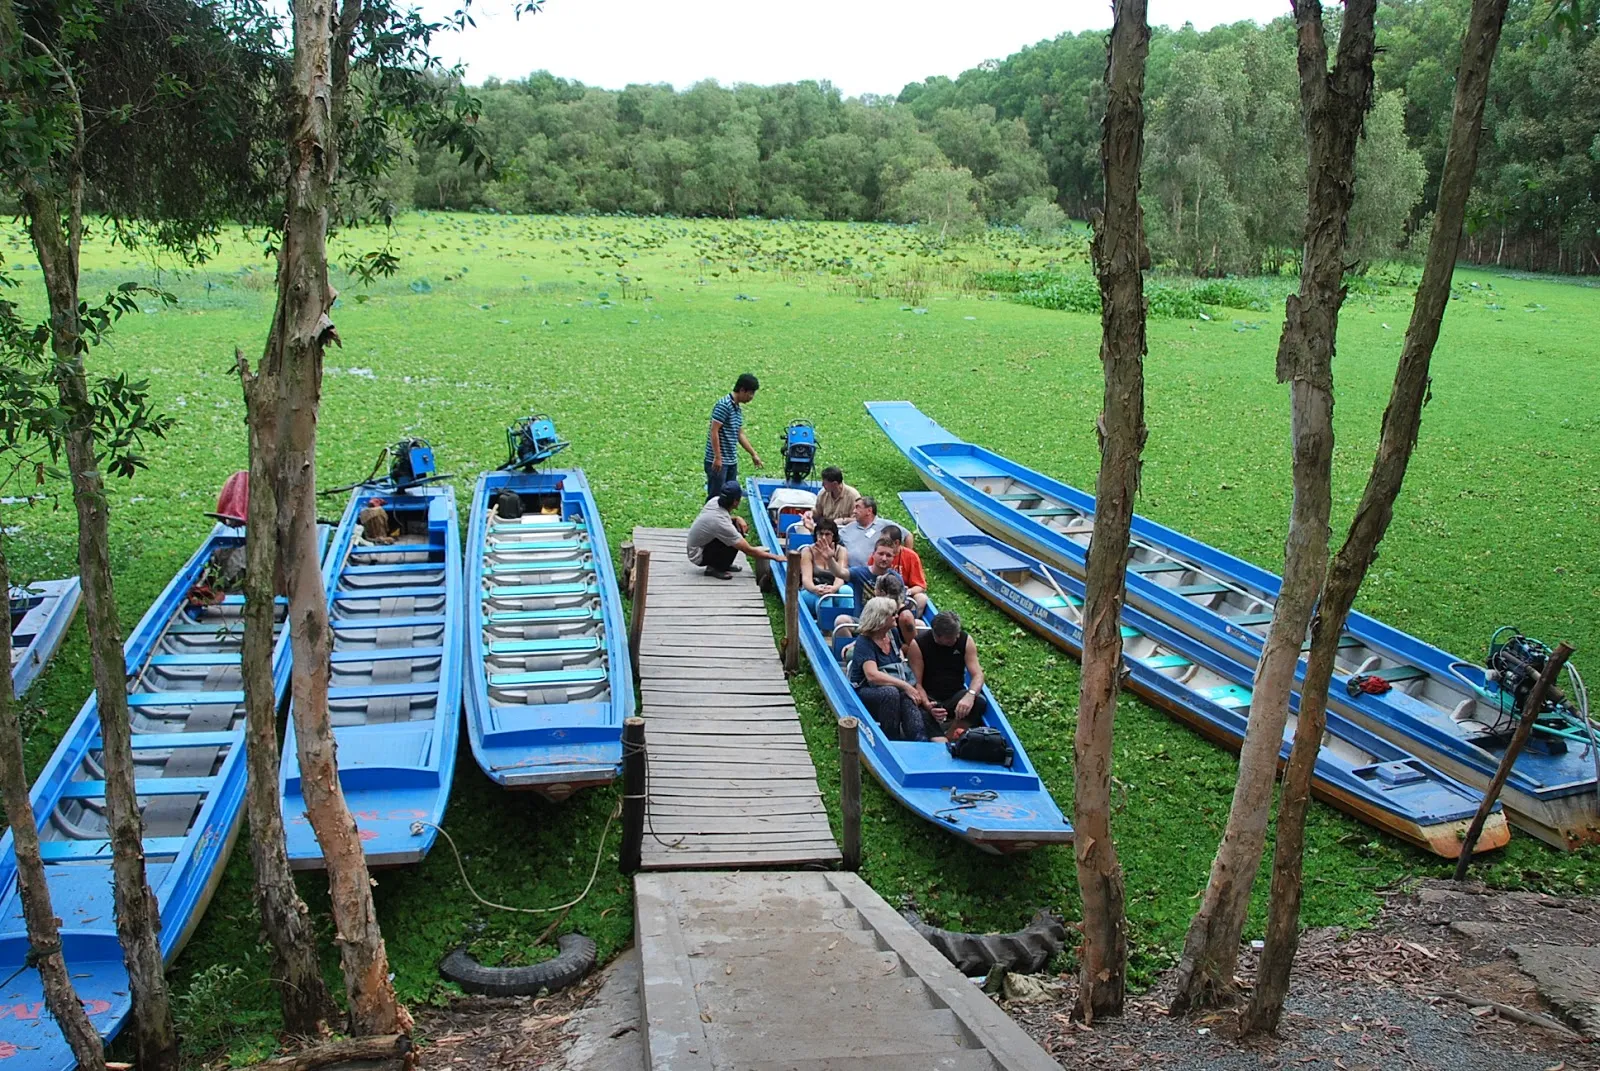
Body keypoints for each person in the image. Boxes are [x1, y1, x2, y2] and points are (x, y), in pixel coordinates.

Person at [847, 597, 940, 743]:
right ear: (881, 618)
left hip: (894, 689)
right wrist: (905, 685)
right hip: (867, 691)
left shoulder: (893, 634)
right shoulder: (864, 642)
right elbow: (872, 675)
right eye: (892, 614)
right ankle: (890, 737)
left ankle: (918, 736)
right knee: (891, 692)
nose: (896, 616)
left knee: (905, 696)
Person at [686, 483, 783, 580]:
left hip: (700, 545)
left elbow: (721, 519)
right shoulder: (721, 524)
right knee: (736, 535)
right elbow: (748, 550)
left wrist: (737, 518)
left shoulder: (715, 501)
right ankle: (715, 568)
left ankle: (724, 563)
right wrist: (775, 557)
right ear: (736, 502)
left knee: (734, 532)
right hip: (698, 555)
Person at [915, 610, 990, 735]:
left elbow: (978, 674)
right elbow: (917, 683)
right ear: (938, 636)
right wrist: (928, 705)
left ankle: (951, 735)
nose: (956, 639)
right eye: (950, 638)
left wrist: (970, 695)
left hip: (955, 697)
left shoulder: (965, 640)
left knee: (979, 701)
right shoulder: (918, 644)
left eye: (957, 635)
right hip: (930, 698)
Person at [704, 373, 763, 501]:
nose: (751, 397)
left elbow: (739, 434)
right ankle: (711, 520)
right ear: (742, 390)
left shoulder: (736, 408)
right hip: (719, 462)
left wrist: (753, 454)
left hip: (731, 460)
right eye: (750, 393)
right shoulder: (724, 405)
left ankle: (724, 520)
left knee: (729, 498)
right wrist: (718, 457)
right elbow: (714, 431)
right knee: (715, 498)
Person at [838, 495, 910, 565]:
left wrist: (905, 560)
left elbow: (908, 536)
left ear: (869, 511)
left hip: (879, 571)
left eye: (857, 507)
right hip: (852, 572)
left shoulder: (885, 525)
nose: (854, 511)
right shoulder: (847, 529)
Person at [799, 517, 849, 617]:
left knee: (846, 590)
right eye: (821, 534)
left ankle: (847, 622)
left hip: (833, 589)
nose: (823, 538)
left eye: (827, 534)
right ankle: (826, 629)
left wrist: (834, 588)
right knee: (826, 597)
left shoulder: (841, 551)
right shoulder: (807, 551)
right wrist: (815, 589)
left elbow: (841, 576)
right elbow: (806, 579)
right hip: (811, 591)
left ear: (833, 536)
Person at [847, 538, 902, 610]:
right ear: (873, 554)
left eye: (888, 555)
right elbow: (839, 573)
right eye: (881, 554)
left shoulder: (896, 578)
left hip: (888, 618)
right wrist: (830, 559)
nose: (884, 558)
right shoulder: (859, 573)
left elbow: (901, 603)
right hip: (861, 619)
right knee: (842, 619)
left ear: (893, 558)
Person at [883, 525, 927, 611]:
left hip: (904, 595)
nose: (883, 544)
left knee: (922, 598)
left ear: (896, 543)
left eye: (886, 542)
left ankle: (910, 620)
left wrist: (907, 592)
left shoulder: (911, 556)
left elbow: (920, 586)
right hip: (883, 594)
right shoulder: (879, 553)